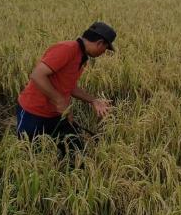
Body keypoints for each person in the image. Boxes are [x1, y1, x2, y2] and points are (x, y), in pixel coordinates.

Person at [16, 22, 115, 153]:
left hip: (57, 114)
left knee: (76, 154)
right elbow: (37, 75)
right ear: (100, 43)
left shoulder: (81, 57)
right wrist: (59, 100)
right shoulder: (67, 49)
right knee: (31, 155)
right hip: (33, 113)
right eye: (105, 49)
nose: (103, 53)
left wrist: (93, 100)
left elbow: (69, 86)